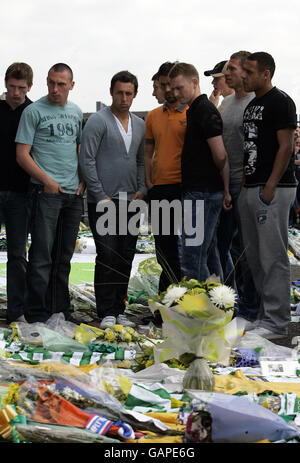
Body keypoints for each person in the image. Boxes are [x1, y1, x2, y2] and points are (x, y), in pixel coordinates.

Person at [16, 63, 84, 324]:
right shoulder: (33, 112)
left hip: (72, 194)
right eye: (51, 83)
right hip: (45, 193)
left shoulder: (76, 112)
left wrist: (82, 180)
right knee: (42, 255)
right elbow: (22, 154)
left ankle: (59, 310)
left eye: (61, 84)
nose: (55, 89)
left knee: (64, 256)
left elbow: (77, 147)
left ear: (71, 85)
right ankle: (36, 313)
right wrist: (47, 181)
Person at [79, 70, 146, 329]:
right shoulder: (98, 121)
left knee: (125, 255)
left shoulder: (140, 124)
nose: (124, 98)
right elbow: (87, 159)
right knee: (107, 254)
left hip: (131, 200)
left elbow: (141, 160)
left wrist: (142, 189)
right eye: (119, 92)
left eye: (129, 93)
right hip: (104, 200)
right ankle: (106, 309)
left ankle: (119, 308)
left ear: (135, 94)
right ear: (111, 92)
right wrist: (98, 194)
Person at [238, 52, 297, 339]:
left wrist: (271, 185)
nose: (244, 76)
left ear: (266, 73)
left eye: (249, 71)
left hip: (273, 189)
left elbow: (286, 146)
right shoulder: (252, 104)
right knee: (255, 257)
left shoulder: (281, 101)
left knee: (273, 256)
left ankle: (277, 321)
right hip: (251, 187)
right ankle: (263, 315)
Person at [169, 62, 227, 282]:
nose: (175, 93)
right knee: (209, 254)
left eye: (179, 88)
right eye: (172, 89)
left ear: (194, 82)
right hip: (201, 191)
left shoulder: (203, 109)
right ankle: (221, 306)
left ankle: (204, 309)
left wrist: (225, 188)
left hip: (203, 192)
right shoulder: (197, 109)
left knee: (193, 257)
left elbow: (220, 155)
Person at [215, 51, 260, 325]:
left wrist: (242, 182)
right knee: (222, 248)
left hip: (245, 184)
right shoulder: (226, 104)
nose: (226, 73)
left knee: (247, 250)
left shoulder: (255, 104)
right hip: (224, 186)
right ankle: (228, 302)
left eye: (231, 68)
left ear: (245, 71)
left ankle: (251, 308)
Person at [144, 61, 188, 292]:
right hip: (160, 188)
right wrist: (149, 181)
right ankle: (168, 302)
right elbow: (148, 151)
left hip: (185, 189)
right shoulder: (152, 116)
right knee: (164, 250)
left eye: (167, 84)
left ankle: (187, 301)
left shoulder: (193, 112)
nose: (166, 90)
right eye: (162, 85)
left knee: (186, 250)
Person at [0, 62, 33, 323]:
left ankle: (16, 311)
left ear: (29, 87)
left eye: (21, 88)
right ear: (5, 84)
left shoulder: (33, 112)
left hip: (21, 193)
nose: (15, 92)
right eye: (11, 86)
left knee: (17, 254)